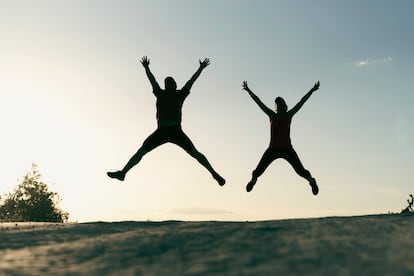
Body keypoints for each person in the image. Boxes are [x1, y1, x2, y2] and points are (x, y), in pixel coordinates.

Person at [107, 56, 225, 186]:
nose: (168, 84)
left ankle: (214, 173)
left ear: (175, 85)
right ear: (165, 86)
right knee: (141, 151)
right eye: (167, 83)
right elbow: (152, 81)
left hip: (176, 131)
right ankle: (123, 173)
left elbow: (191, 81)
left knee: (195, 153)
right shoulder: (160, 93)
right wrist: (147, 68)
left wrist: (200, 68)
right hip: (161, 131)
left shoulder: (180, 94)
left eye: (170, 83)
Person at [242, 80, 320, 195]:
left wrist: (312, 91)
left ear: (283, 105)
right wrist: (248, 91)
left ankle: (312, 181)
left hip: (287, 149)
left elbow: (301, 102)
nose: (277, 106)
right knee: (257, 172)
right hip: (272, 149)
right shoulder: (272, 115)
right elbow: (259, 102)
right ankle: (253, 181)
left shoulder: (289, 115)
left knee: (300, 171)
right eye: (276, 104)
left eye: (279, 104)